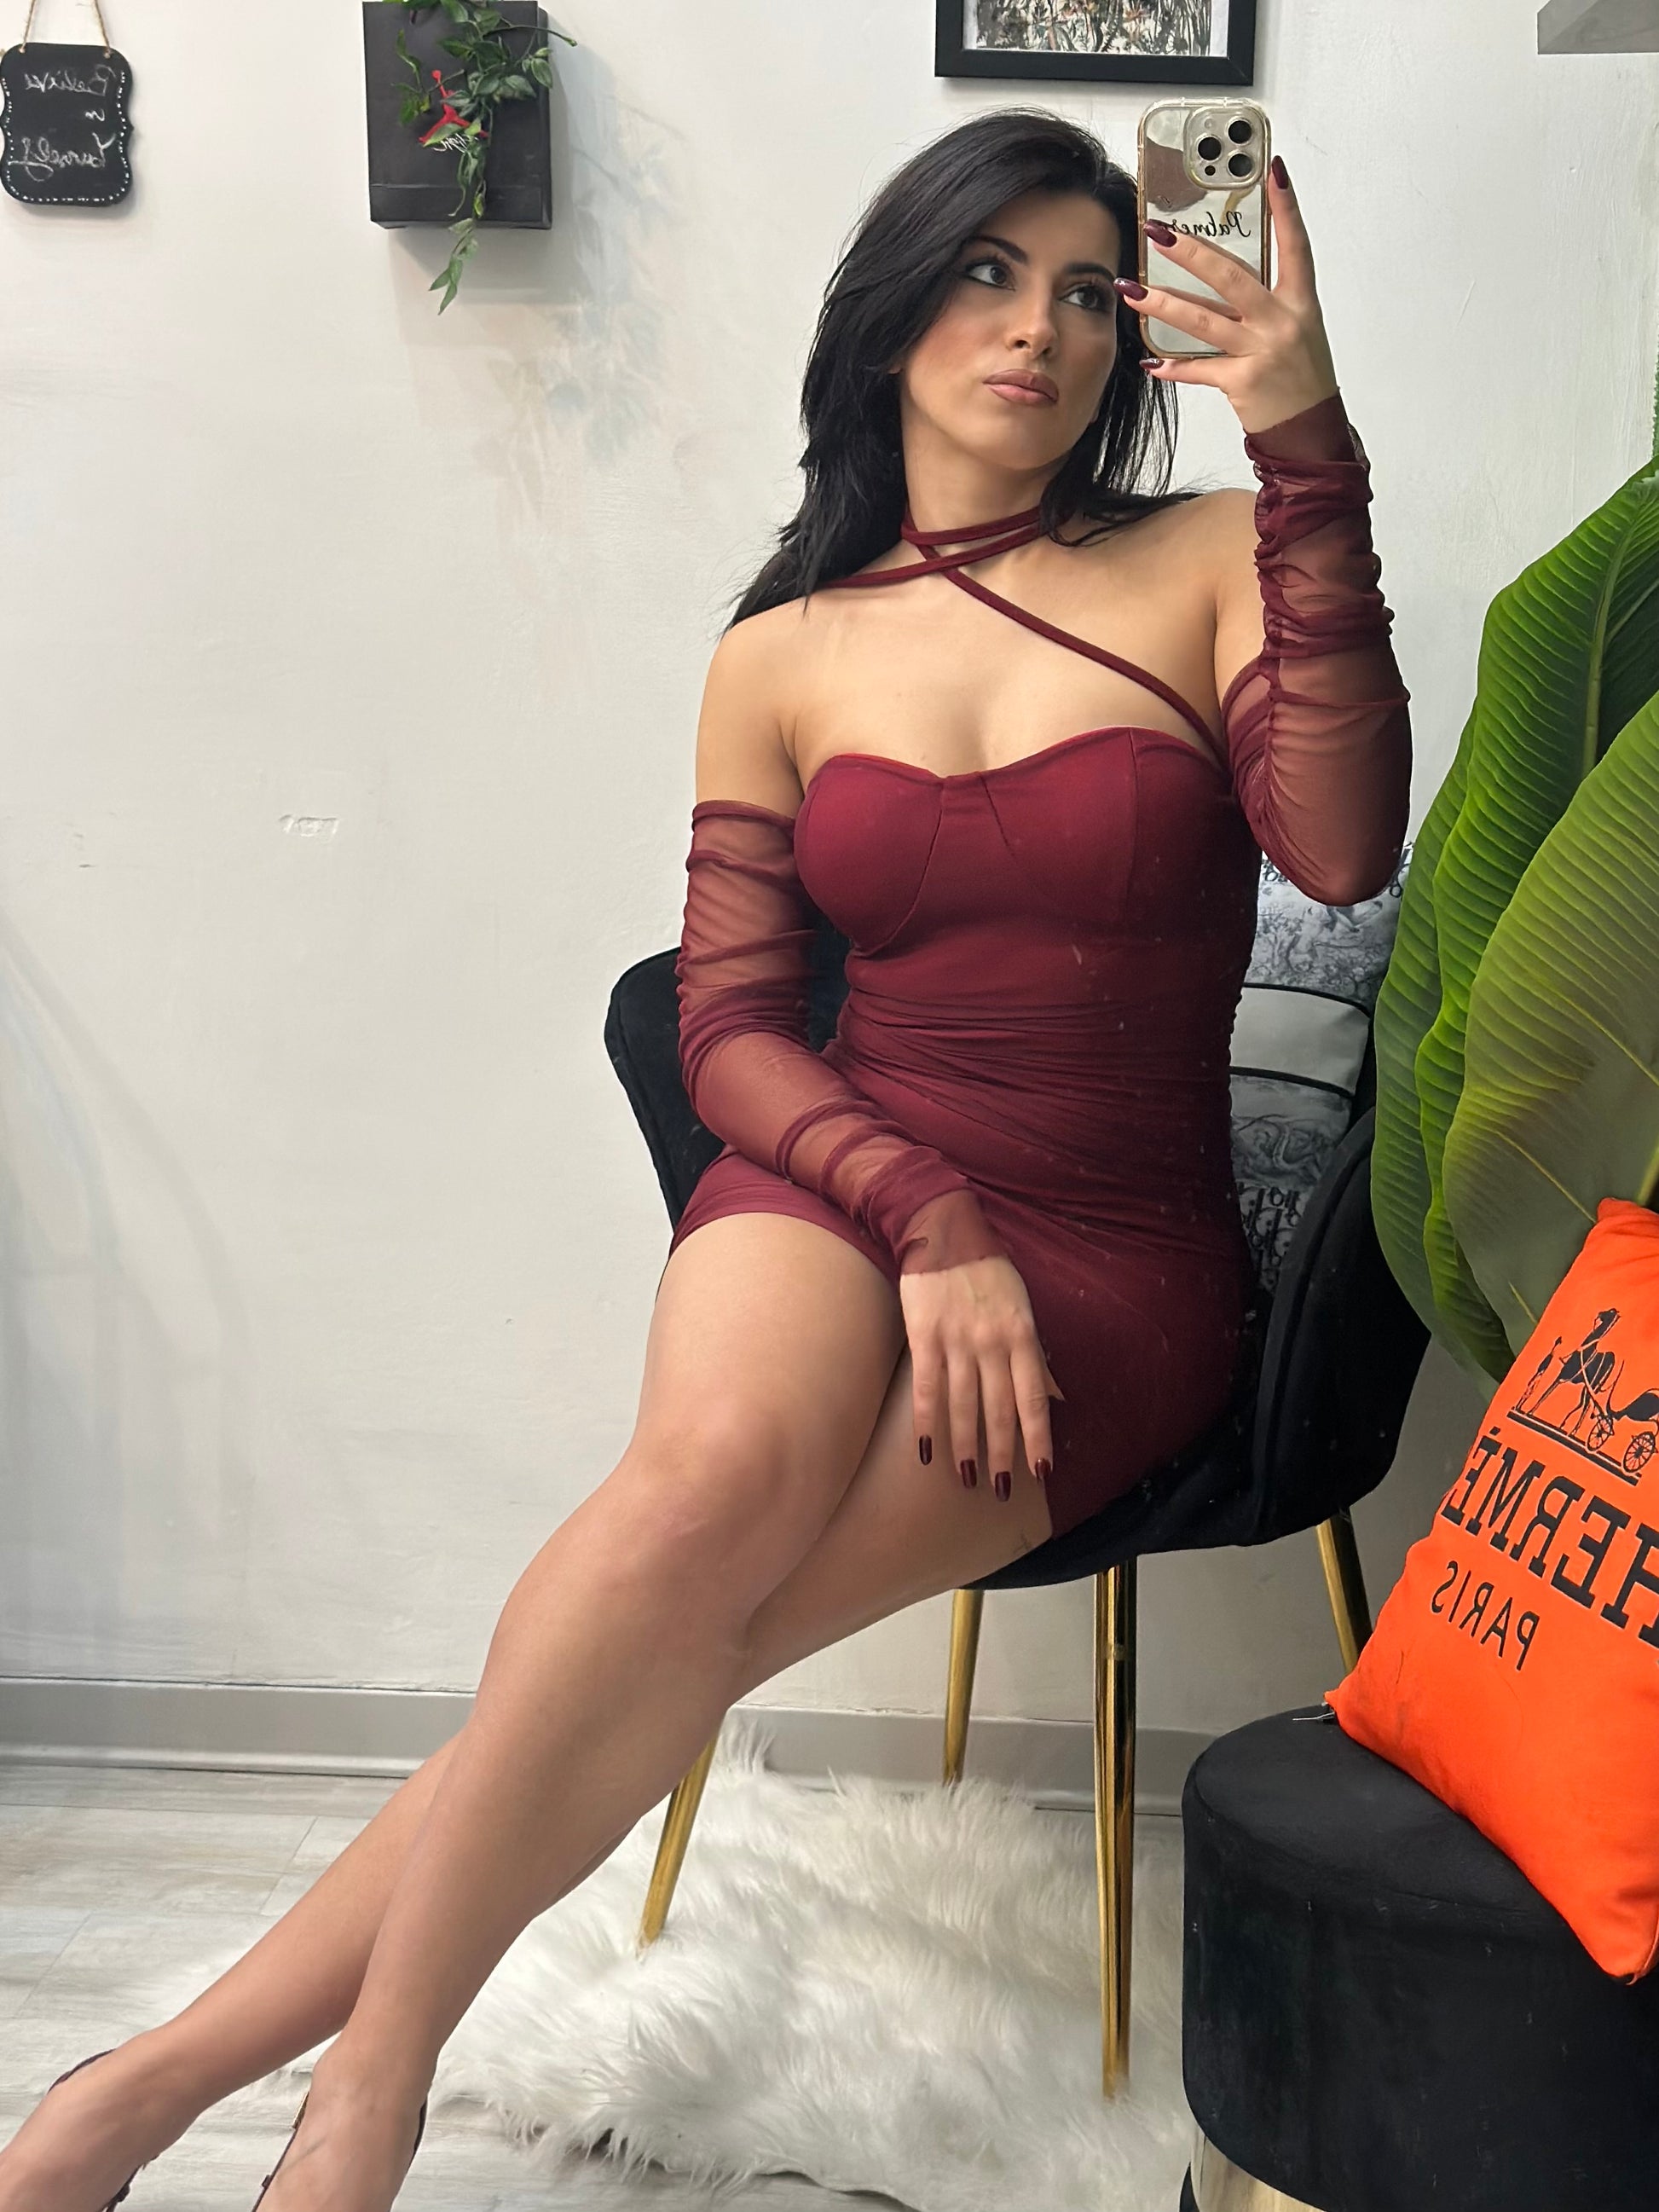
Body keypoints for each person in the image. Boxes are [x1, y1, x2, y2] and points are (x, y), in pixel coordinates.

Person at [0, 107, 1409, 2212]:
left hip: (1112, 1255)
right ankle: (359, 2107)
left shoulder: (1206, 554)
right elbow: (733, 1024)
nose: (1035, 328)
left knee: (664, 1636)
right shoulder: (780, 651)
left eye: (1084, 292)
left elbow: (1343, 845)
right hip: (853, 1180)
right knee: (688, 1502)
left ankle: (176, 2079)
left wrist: (1305, 440)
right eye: (984, 273)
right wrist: (920, 1213)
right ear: (889, 317)